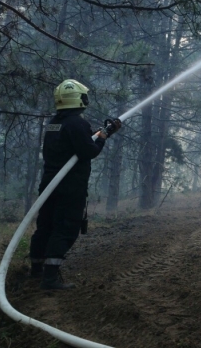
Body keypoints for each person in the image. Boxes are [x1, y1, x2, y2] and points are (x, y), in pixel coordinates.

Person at [29, 79, 120, 290]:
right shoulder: (77, 123)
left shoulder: (54, 122)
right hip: (69, 188)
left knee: (46, 226)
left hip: (49, 186)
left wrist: (99, 134)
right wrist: (102, 139)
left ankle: (36, 271)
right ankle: (50, 279)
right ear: (78, 99)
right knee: (65, 227)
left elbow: (73, 144)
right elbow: (88, 151)